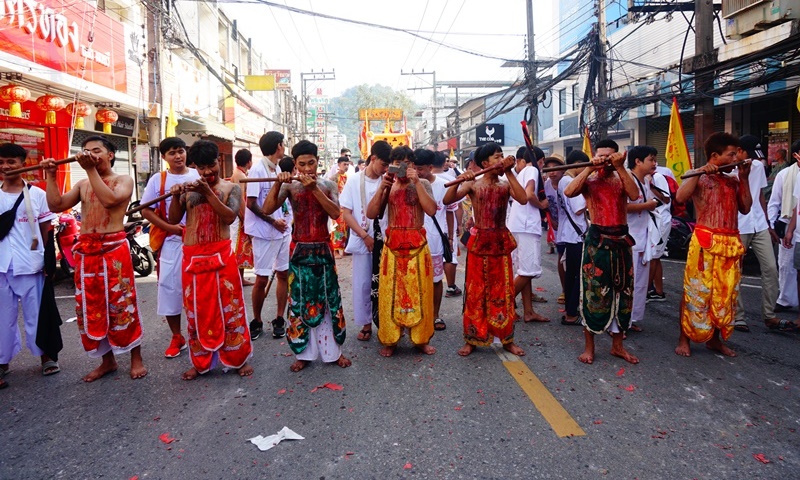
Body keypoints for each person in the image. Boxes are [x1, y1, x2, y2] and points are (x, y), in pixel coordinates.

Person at [43, 136, 147, 381]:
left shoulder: (123, 180)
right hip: (87, 252)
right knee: (92, 306)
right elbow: (56, 205)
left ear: (110, 155)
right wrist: (50, 174)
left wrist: (90, 169)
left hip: (113, 249)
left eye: (97, 150)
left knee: (123, 304)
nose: (90, 154)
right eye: (86, 151)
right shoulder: (82, 184)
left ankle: (136, 357)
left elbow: (110, 201)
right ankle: (107, 361)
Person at [167, 140, 253, 380]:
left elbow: (228, 217)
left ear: (219, 161)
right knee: (195, 310)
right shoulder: (188, 190)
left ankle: (238, 359)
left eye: (212, 165)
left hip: (222, 256)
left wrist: (208, 194)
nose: (207, 172)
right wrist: (176, 197)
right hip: (193, 258)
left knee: (231, 308)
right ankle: (201, 361)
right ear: (195, 166)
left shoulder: (230, 188)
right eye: (201, 167)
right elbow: (174, 220)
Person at [263, 140, 351, 371]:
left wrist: (313, 189)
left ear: (317, 161)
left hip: (323, 248)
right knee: (299, 301)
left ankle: (335, 352)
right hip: (299, 249)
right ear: (295, 165)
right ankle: (303, 353)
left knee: (330, 300)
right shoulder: (290, 186)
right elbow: (266, 209)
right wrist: (276, 184)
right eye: (301, 165)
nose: (307, 169)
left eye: (311, 163)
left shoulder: (328, 184)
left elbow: (335, 213)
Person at [444, 143, 528, 357]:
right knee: (475, 292)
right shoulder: (474, 184)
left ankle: (507, 338)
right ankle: (472, 338)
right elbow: (447, 200)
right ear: (484, 163)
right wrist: (459, 182)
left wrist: (509, 171)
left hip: (500, 243)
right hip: (480, 242)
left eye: (502, 155)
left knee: (504, 292)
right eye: (497, 157)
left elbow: (523, 198)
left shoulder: (505, 184)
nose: (502, 159)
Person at [675, 132, 752, 357]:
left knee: (725, 294)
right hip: (705, 242)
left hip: (730, 242)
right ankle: (684, 338)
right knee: (696, 291)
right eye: (732, 154)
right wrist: (699, 174)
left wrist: (744, 179)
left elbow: (746, 208)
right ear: (715, 156)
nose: (736, 158)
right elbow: (680, 198)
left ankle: (714, 340)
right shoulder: (698, 175)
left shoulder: (733, 180)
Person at [563, 139, 640, 365]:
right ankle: (589, 347)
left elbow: (634, 195)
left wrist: (619, 167)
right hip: (597, 242)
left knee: (623, 294)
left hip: (621, 241)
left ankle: (618, 346)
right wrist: (589, 167)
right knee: (593, 293)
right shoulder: (591, 179)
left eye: (610, 155)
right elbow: (569, 191)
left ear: (618, 155)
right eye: (601, 155)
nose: (605, 159)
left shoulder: (622, 176)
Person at [366, 146, 437, 357]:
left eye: (406, 162)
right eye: (397, 163)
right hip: (393, 247)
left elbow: (431, 210)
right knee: (390, 295)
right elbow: (371, 213)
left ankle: (421, 339)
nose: (402, 167)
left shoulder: (422, 183)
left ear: (413, 165)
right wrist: (382, 188)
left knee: (422, 294)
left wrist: (416, 181)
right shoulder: (387, 184)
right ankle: (390, 339)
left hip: (417, 244)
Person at [0, 143, 60, 389]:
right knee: (3, 318)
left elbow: (47, 230)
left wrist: (49, 261)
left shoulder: (37, 195)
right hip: (2, 266)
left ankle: (46, 356)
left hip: (31, 264)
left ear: (23, 164)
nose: (5, 167)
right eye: (2, 162)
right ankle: (2, 362)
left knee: (37, 314)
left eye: (11, 162)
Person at [140, 137, 200, 358]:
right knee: (170, 290)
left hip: (199, 241)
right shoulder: (159, 180)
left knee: (199, 289)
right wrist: (172, 228)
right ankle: (177, 337)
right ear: (164, 157)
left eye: (181, 151)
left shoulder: (198, 175)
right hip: (172, 242)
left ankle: (201, 333)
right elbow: (145, 210)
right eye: (172, 153)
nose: (178, 156)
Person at [340, 141, 391, 341]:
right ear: (373, 159)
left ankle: (386, 323)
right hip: (363, 238)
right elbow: (346, 213)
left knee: (385, 283)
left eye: (388, 166)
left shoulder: (388, 180)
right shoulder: (354, 180)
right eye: (383, 164)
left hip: (384, 238)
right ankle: (366, 324)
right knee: (362, 284)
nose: (385, 169)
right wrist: (364, 236)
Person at [731, 135, 780, 333]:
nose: (752, 159)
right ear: (740, 151)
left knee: (770, 267)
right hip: (738, 225)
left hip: (758, 223)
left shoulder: (758, 166)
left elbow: (759, 195)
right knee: (736, 272)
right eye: (749, 154)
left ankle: (769, 314)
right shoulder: (729, 169)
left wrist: (768, 223)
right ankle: (738, 316)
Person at [246, 132, 292, 340]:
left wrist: (283, 219)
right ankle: (256, 320)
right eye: (283, 144)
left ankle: (279, 318)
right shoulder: (257, 169)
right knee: (262, 278)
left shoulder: (279, 168)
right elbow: (251, 203)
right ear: (279, 146)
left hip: (283, 231)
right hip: (265, 233)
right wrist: (273, 221)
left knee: (283, 274)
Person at [625, 146, 665, 334]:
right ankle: (619, 321)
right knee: (626, 282)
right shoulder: (627, 179)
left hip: (644, 237)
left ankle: (632, 318)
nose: (654, 163)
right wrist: (646, 205)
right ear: (638, 161)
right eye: (651, 159)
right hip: (629, 237)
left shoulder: (647, 181)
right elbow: (622, 206)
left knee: (640, 283)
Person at [507, 148, 549, 323]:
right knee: (529, 271)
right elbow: (529, 194)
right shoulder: (532, 170)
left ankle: (528, 311)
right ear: (540, 161)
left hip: (517, 224)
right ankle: (501, 305)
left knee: (524, 270)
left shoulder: (520, 173)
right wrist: (542, 205)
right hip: (526, 226)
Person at [413, 148, 449, 331]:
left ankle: (435, 315)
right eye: (414, 168)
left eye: (421, 169)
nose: (418, 172)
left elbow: (450, 212)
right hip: (414, 240)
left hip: (435, 239)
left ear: (430, 167)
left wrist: (450, 238)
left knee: (436, 280)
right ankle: (417, 315)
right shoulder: (409, 183)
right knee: (415, 280)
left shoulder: (443, 184)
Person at [556, 151, 589, 326]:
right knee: (577, 275)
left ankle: (570, 310)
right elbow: (578, 208)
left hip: (570, 233)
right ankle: (571, 313)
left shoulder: (563, 181)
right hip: (576, 234)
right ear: (577, 164)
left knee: (571, 275)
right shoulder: (569, 181)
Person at [768, 140, 800, 314]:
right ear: (796, 155)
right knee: (786, 264)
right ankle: (785, 299)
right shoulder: (785, 174)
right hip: (789, 223)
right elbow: (775, 201)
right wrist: (773, 224)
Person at [433, 152, 462, 298]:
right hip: (445, 224)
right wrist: (459, 226)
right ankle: (450, 286)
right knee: (449, 255)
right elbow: (456, 207)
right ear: (443, 163)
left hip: (432, 226)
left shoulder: (424, 180)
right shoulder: (451, 180)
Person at [646, 147, 672, 303]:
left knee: (653, 258)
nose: (654, 163)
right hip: (653, 221)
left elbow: (667, 199)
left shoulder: (658, 177)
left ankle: (646, 291)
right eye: (651, 160)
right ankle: (658, 291)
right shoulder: (644, 177)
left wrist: (651, 186)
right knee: (655, 257)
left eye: (655, 160)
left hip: (660, 220)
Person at [543, 156, 566, 304]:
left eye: (555, 168)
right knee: (561, 257)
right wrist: (552, 222)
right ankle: (565, 290)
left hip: (572, 228)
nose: (552, 172)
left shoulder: (568, 183)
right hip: (557, 227)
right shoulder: (545, 185)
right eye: (549, 169)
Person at [230, 148, 254, 286]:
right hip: (239, 216)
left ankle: (240, 277)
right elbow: (240, 199)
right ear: (249, 162)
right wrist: (245, 218)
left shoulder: (239, 174)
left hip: (240, 215)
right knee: (238, 246)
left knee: (241, 247)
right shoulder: (240, 175)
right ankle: (237, 278)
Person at [328, 156, 351, 258]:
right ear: (339, 165)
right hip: (337, 206)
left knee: (346, 228)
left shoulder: (348, 177)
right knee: (337, 228)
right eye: (344, 164)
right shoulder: (333, 178)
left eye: (347, 164)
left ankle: (344, 249)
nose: (346, 166)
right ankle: (336, 250)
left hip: (346, 206)